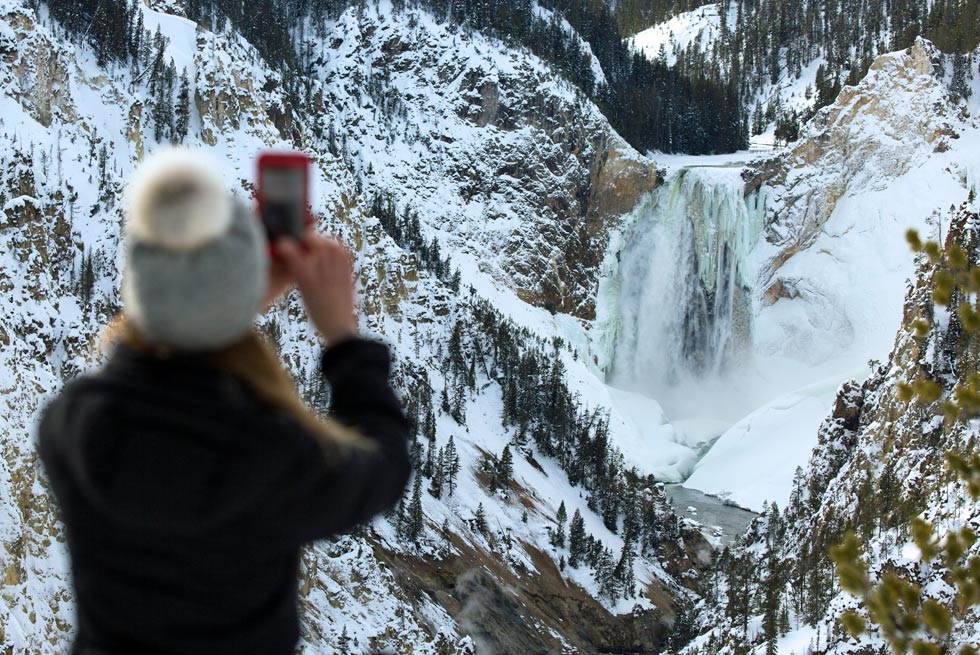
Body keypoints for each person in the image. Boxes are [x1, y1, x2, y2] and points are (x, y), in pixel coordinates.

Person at [37, 148, 412, 655]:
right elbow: (384, 467)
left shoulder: (72, 425)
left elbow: (153, 352)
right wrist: (343, 336)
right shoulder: (271, 457)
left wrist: (223, 298)